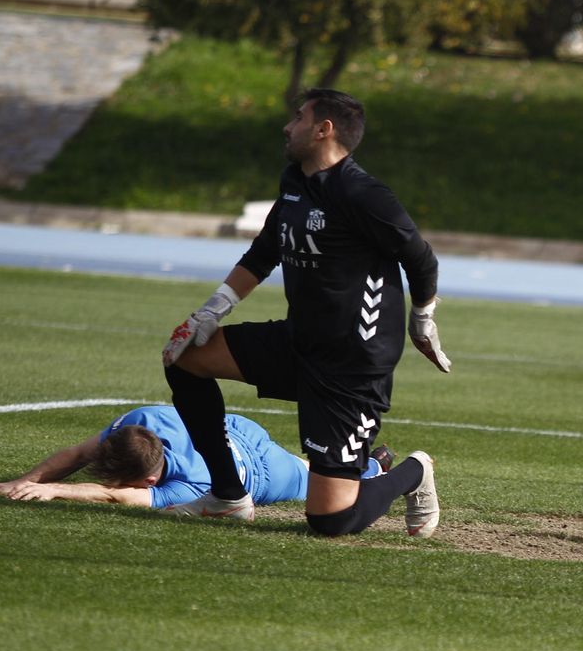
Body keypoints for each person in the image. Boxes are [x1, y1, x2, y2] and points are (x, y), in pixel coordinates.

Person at [160, 88, 451, 537]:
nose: (287, 126)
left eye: (298, 117)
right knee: (183, 359)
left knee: (330, 521)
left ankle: (412, 471)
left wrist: (422, 319)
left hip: (351, 366)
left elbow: (422, 258)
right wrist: (210, 311)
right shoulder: (295, 181)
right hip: (299, 342)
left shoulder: (364, 194)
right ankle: (228, 498)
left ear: (323, 129)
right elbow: (264, 252)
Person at [0, 405, 392, 510]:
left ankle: (374, 465)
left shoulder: (192, 485)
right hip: (238, 430)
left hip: (263, 470)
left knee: (325, 485)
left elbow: (120, 498)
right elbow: (81, 453)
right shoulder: (140, 422)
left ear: (149, 480)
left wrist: (56, 490)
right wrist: (27, 480)